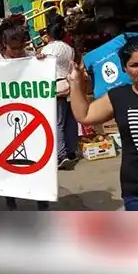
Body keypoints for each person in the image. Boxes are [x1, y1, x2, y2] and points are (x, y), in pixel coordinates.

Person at [67, 36, 138, 211]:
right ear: (124, 68)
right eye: (135, 65)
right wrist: (75, 82)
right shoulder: (119, 97)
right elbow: (84, 115)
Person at [0, 22, 51, 211]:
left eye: (21, 47)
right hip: (4, 120)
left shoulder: (31, 57)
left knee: (37, 158)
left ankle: (41, 199)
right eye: (13, 49)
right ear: (4, 44)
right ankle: (11, 198)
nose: (17, 52)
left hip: (31, 118)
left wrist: (41, 61)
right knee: (8, 163)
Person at [38, 20, 79, 170]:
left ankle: (61, 155)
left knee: (58, 122)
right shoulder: (69, 48)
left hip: (55, 85)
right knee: (70, 120)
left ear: (49, 35)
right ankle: (71, 150)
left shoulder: (47, 50)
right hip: (68, 84)